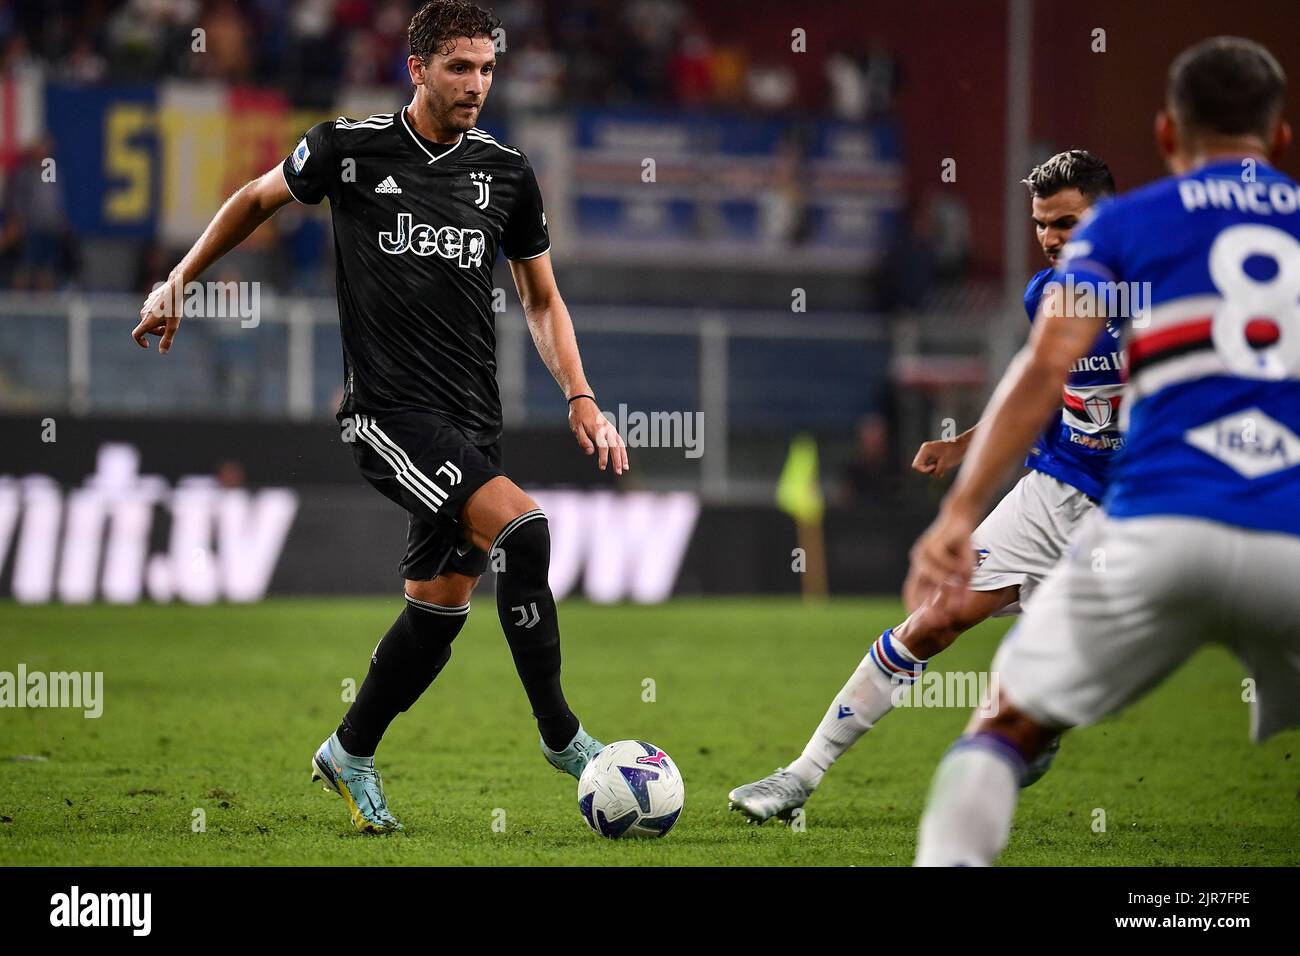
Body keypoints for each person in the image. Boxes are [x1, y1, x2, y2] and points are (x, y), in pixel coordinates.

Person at [132, 0, 627, 833]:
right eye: (460, 67)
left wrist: (580, 394)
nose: (476, 84)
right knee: (528, 531)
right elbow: (256, 199)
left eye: (487, 68)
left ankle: (349, 752)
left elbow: (542, 299)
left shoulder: (506, 173)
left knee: (438, 611)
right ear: (419, 69)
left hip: (474, 419)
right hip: (387, 413)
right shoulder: (349, 149)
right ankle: (563, 737)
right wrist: (178, 279)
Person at [908, 36, 1300, 865]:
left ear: (1166, 135)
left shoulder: (1124, 227)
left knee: (1007, 722)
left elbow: (1046, 364)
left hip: (1154, 525)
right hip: (1288, 532)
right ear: (1283, 140)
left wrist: (959, 509)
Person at [729, 150, 1124, 823]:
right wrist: (966, 446)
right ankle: (802, 774)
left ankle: (1042, 712)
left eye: (1067, 222)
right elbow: (1038, 396)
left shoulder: (1161, 291)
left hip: (1136, 513)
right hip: (1053, 490)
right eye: (1041, 225)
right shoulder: (1045, 297)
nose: (1052, 239)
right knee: (937, 618)